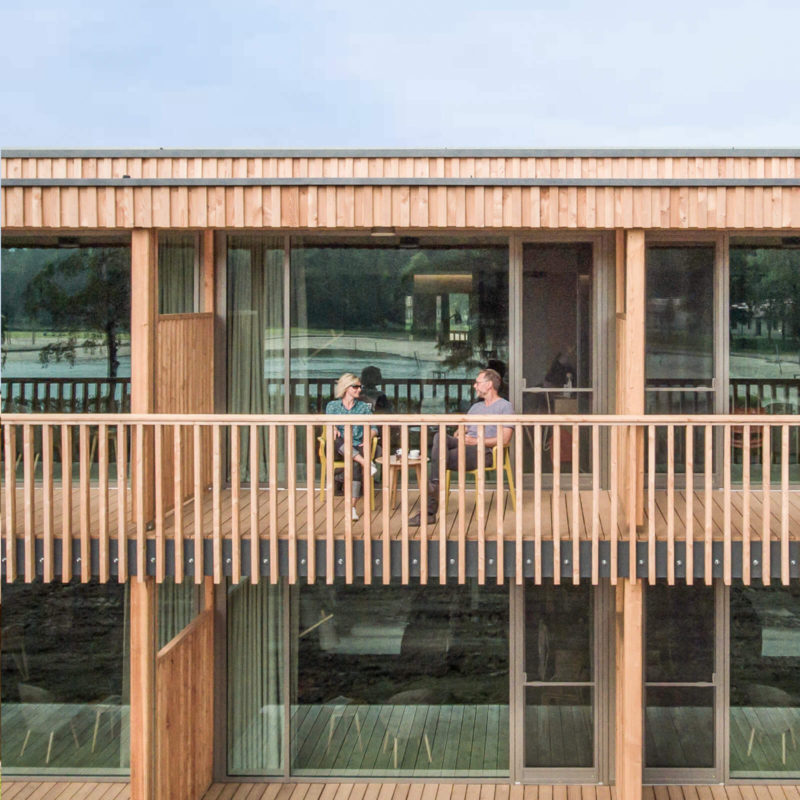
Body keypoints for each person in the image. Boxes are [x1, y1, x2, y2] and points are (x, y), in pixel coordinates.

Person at [410, 368, 514, 525]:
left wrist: (477, 441)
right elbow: (462, 428)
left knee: (440, 458)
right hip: (466, 444)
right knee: (440, 436)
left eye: (478, 383)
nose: (474, 386)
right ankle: (436, 486)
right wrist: (460, 433)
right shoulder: (476, 407)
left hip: (484, 451)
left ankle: (429, 508)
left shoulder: (505, 407)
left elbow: (505, 439)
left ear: (489, 384)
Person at [326, 373, 379, 521]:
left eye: (360, 387)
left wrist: (369, 435)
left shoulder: (362, 407)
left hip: (357, 444)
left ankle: (352, 507)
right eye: (355, 386)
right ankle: (366, 464)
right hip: (338, 447)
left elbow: (374, 427)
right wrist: (333, 428)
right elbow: (328, 425)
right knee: (336, 438)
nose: (359, 390)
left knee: (355, 464)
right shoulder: (333, 406)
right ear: (345, 387)